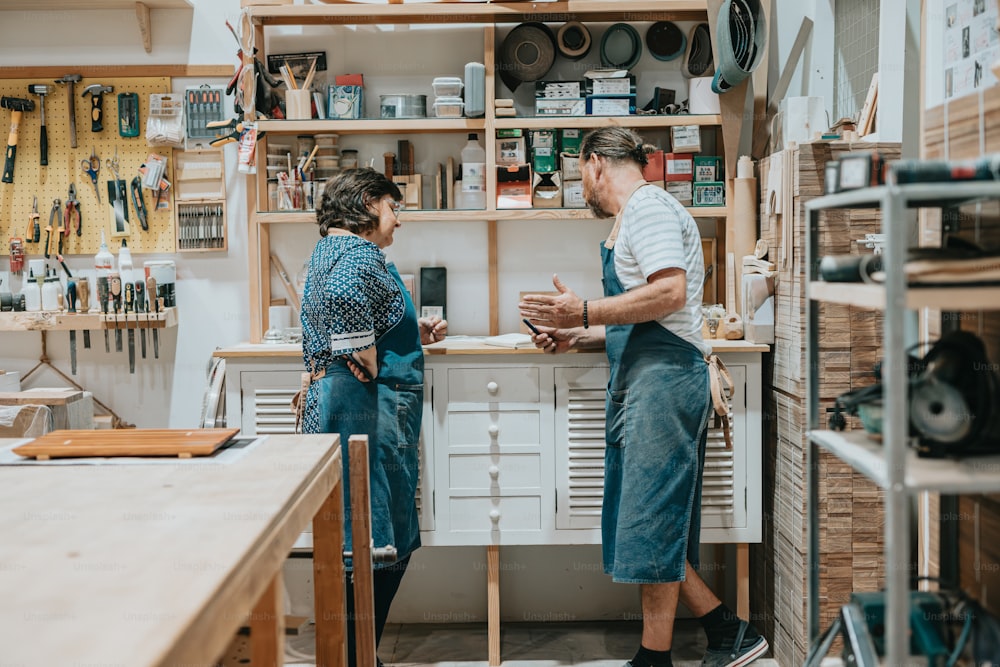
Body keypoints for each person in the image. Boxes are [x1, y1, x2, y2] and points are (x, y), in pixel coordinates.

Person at [519, 127, 767, 667]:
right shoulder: (635, 216)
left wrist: (582, 311)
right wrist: (575, 334)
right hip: (644, 378)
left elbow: (669, 292)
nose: (579, 184)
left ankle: (655, 659)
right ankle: (729, 631)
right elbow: (640, 316)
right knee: (644, 519)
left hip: (663, 380)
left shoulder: (648, 208)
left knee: (652, 519)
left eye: (576, 173)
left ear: (594, 164)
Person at [299, 168, 447, 667]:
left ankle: (356, 654)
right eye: (393, 207)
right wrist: (364, 354)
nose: (397, 220)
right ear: (366, 202)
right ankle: (358, 656)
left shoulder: (328, 251)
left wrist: (414, 332)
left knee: (359, 539)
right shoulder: (356, 255)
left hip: (355, 406)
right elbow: (348, 313)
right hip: (367, 409)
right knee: (378, 542)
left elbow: (364, 317)